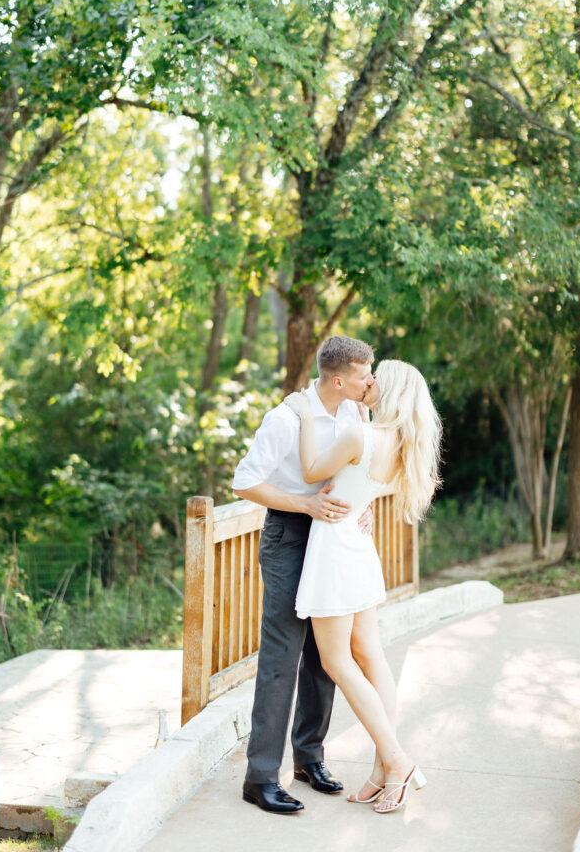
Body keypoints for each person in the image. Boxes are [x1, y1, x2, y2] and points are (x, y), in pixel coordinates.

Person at [283, 358, 442, 814]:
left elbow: (313, 470)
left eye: (376, 378)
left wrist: (301, 413)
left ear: (388, 390)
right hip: (357, 543)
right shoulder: (401, 445)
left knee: (337, 660)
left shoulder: (360, 436)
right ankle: (381, 769)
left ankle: (397, 761)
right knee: (370, 655)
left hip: (336, 547)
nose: (368, 381)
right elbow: (360, 488)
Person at [232, 335, 376, 815]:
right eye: (364, 374)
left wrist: (364, 507)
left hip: (333, 536)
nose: (370, 381)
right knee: (283, 654)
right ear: (339, 379)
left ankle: (308, 760)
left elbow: (358, 470)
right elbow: (246, 480)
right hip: (290, 536)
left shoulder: (356, 414)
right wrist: (306, 505)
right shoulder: (285, 417)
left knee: (324, 654)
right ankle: (260, 778)